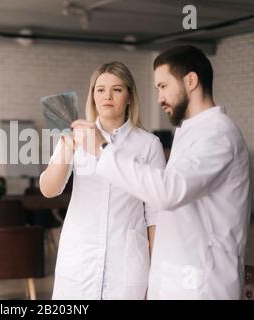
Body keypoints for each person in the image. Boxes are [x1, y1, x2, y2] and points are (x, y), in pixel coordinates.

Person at [72, 45, 250, 299]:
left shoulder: (218, 134)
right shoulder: (190, 131)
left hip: (203, 283)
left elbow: (169, 191)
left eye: (163, 86)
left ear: (190, 81)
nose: (159, 98)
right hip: (178, 279)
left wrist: (103, 149)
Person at [40, 61, 166, 299]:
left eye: (117, 89)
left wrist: (156, 273)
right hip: (79, 261)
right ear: (93, 96)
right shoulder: (74, 136)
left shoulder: (148, 144)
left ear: (129, 96)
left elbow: (155, 213)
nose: (107, 96)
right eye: (100, 89)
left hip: (126, 265)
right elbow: (49, 190)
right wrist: (67, 148)